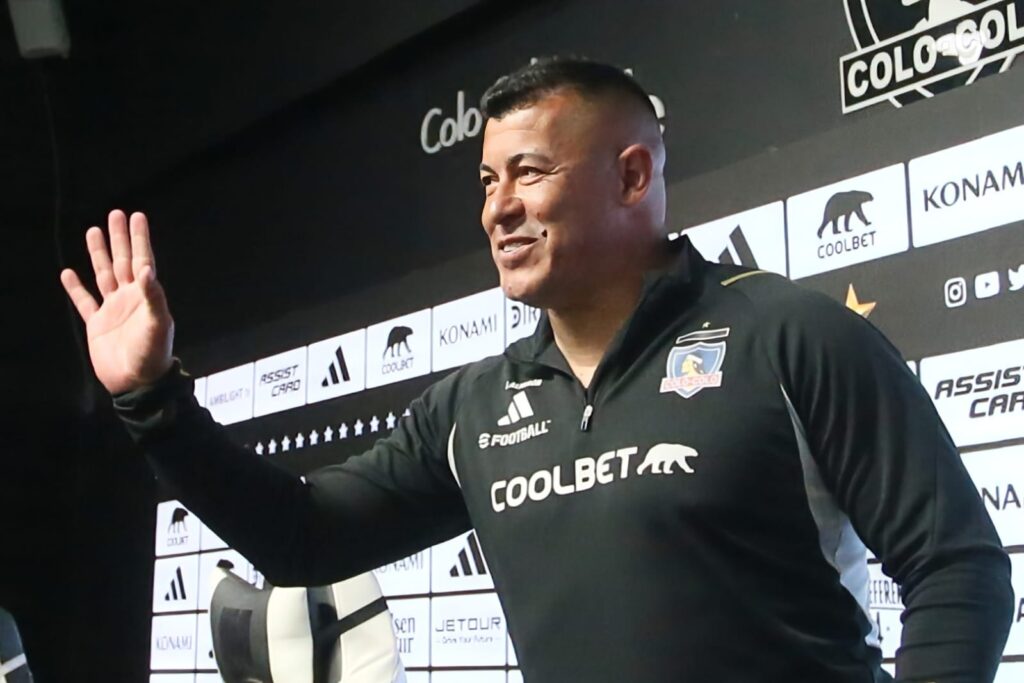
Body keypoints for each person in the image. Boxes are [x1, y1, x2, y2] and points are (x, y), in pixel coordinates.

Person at [60, 58, 1011, 682]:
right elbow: (302, 539)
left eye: (530, 173)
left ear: (634, 176)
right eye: (485, 181)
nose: (497, 210)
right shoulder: (474, 404)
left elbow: (958, 568)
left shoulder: (794, 335)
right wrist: (153, 400)